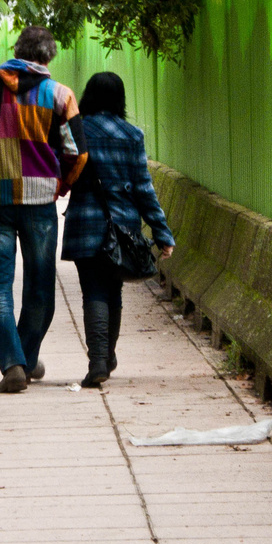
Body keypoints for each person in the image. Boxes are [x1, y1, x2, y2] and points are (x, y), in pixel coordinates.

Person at [0, 26, 88, 394]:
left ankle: (16, 363)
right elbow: (79, 153)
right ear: (48, 57)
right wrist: (61, 185)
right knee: (40, 288)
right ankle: (25, 357)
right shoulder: (60, 96)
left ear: (16, 51)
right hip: (39, 204)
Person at [61, 71, 175, 388]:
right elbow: (144, 189)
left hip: (84, 222)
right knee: (114, 290)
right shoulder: (132, 135)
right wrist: (162, 234)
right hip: (122, 225)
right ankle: (106, 356)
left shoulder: (76, 129)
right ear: (120, 99)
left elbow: (64, 171)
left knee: (93, 291)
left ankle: (99, 361)